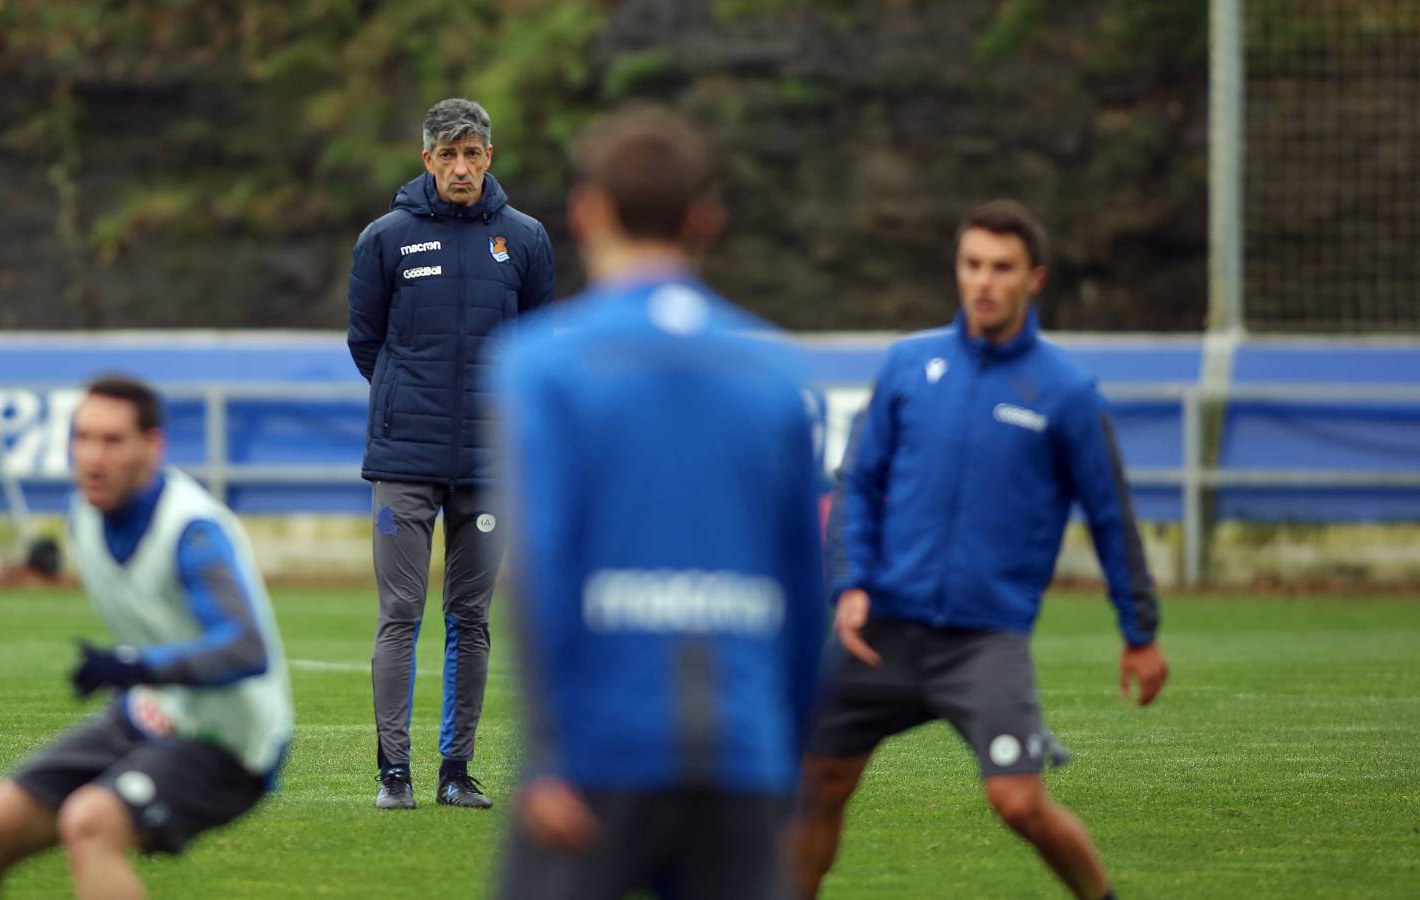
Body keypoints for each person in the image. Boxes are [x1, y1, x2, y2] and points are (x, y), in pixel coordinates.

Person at [789, 200, 1170, 900]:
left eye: (1001, 268)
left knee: (1019, 803)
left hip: (982, 641)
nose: (983, 282)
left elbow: (1110, 517)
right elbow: (858, 482)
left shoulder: (1066, 393)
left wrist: (1138, 632)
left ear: (1034, 280)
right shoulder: (909, 365)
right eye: (971, 265)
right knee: (816, 786)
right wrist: (852, 583)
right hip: (880, 630)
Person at [492, 108, 829, 900]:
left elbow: (541, 564)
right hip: (744, 750)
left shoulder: (539, 364)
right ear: (704, 220)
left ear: (587, 212)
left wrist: (547, 754)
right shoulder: (778, 373)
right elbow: (806, 581)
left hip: (602, 747)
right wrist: (792, 755)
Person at [0, 376, 293, 900]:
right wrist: (139, 676)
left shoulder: (192, 531)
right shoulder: (83, 518)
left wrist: (140, 667)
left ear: (153, 446)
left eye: (113, 440)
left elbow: (247, 649)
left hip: (229, 741)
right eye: (83, 437)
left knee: (90, 823)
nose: (94, 458)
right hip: (147, 714)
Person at [346, 97, 555, 809]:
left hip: (490, 466)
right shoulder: (386, 238)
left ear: (488, 156)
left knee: (471, 617)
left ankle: (455, 772)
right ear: (427, 160)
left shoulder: (524, 239)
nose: (460, 168)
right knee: (400, 612)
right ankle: (394, 774)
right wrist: (410, 399)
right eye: (447, 155)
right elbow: (366, 342)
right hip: (403, 461)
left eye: (471, 154)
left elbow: (537, 347)